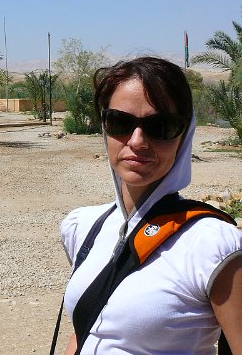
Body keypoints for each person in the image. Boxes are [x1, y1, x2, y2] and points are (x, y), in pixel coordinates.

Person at [60, 57, 242, 354]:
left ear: (184, 137)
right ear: (104, 128)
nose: (137, 141)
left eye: (161, 126)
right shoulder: (85, 227)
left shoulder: (211, 245)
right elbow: (86, 333)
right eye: (120, 122)